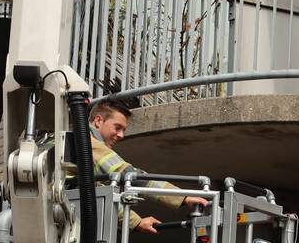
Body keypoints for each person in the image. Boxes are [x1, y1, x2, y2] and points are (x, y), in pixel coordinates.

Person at [89, 98, 209, 233]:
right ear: (98, 121)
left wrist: (136, 222)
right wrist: (184, 198)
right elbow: (131, 176)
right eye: (117, 127)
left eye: (123, 130)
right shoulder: (88, 142)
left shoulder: (81, 144)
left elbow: (99, 196)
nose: (121, 135)